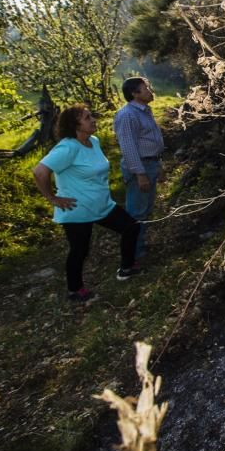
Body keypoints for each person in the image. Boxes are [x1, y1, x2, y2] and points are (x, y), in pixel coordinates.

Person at [33, 104, 142, 302]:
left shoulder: (93, 140)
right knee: (80, 250)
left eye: (91, 116)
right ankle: (75, 290)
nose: (93, 120)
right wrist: (52, 198)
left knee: (131, 227)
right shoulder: (67, 147)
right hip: (77, 209)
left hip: (102, 205)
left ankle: (127, 268)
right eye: (87, 118)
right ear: (74, 125)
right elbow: (39, 171)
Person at [114, 77, 164, 266]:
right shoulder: (128, 115)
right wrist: (140, 174)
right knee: (137, 212)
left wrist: (158, 165)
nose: (150, 91)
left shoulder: (144, 111)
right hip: (140, 168)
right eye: (146, 88)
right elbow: (128, 147)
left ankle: (139, 248)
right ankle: (133, 255)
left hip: (149, 164)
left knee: (145, 209)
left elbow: (151, 141)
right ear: (135, 93)